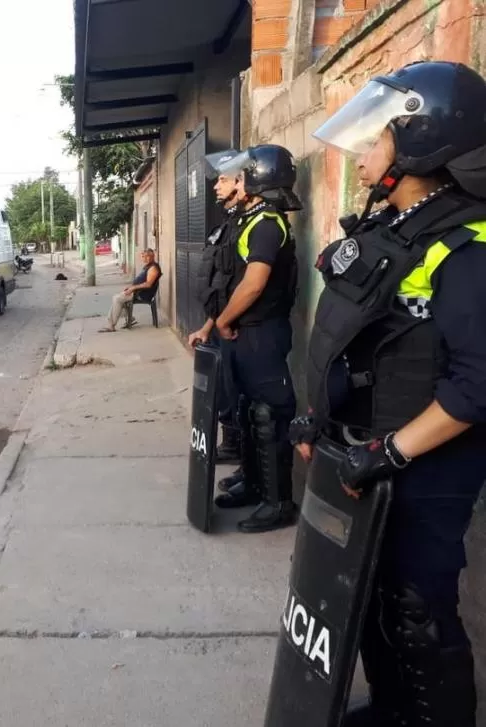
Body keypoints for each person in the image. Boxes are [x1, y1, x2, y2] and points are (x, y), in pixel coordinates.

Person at [290, 60, 486, 726]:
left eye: (377, 139)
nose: (364, 153)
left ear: (424, 143)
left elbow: (477, 384)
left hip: (427, 465)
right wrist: (317, 420)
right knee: (370, 594)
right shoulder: (394, 229)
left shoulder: (469, 245)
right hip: (370, 452)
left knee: (417, 608)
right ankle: (395, 710)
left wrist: (391, 453)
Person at [208, 144, 302, 533]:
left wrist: (224, 321)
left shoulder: (267, 224)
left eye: (232, 176)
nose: (219, 183)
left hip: (262, 333)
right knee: (248, 411)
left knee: (270, 416)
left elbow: (253, 284)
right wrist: (217, 322)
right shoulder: (248, 221)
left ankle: (278, 502)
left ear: (255, 179)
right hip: (244, 333)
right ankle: (253, 482)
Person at [189, 149, 246, 464]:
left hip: (237, 327)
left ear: (242, 181)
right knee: (224, 387)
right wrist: (208, 326)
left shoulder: (256, 225)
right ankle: (232, 443)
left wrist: (220, 323)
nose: (216, 186)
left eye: (223, 179)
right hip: (221, 323)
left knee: (237, 390)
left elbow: (245, 285)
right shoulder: (229, 224)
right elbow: (222, 284)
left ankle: (238, 446)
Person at [99, 248, 161, 333]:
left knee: (117, 299)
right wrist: (130, 287)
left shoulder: (153, 268)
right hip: (137, 291)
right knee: (117, 298)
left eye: (147, 256)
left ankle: (111, 325)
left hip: (143, 294)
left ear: (153, 256)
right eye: (143, 256)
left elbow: (148, 284)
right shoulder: (148, 266)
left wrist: (133, 288)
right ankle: (129, 318)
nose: (145, 258)